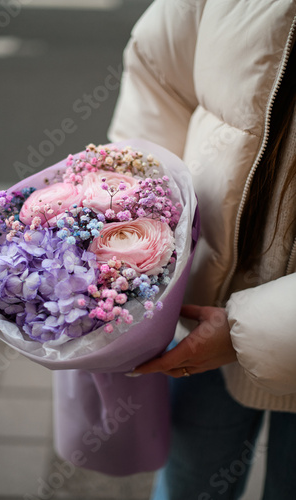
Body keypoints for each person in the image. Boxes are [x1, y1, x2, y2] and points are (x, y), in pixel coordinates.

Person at [108, 1, 296, 499]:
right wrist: (139, 217)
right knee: (189, 485)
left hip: (235, 328)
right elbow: (159, 71)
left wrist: (242, 332)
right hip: (200, 310)